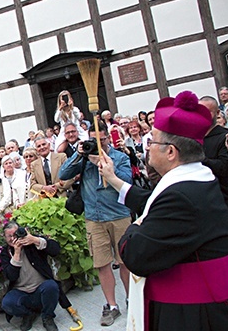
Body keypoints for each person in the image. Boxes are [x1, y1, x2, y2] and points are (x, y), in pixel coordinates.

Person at [99, 90, 228, 330]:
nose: (148, 146)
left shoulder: (181, 197)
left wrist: (135, 226)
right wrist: (113, 179)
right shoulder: (197, 179)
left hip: (193, 315)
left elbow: (135, 255)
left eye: (152, 140)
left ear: (171, 152)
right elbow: (153, 203)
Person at [58, 122, 132, 327]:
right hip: (94, 218)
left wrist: (107, 165)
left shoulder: (119, 157)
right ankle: (112, 305)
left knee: (126, 261)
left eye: (101, 140)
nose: (98, 145)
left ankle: (131, 300)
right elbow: (63, 175)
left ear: (107, 138)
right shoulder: (84, 158)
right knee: (101, 263)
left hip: (119, 215)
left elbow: (127, 181)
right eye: (93, 140)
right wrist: (80, 155)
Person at [199, 96, 228, 263]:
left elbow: (224, 168)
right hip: (200, 203)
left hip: (223, 201)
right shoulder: (194, 138)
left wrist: (199, 158)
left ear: (216, 113)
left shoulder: (225, 137)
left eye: (206, 112)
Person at [0, 222, 60, 331]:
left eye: (15, 234)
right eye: (10, 236)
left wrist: (35, 240)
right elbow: (11, 276)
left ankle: (47, 316)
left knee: (51, 286)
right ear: (4, 238)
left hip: (41, 288)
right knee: (7, 303)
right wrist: (17, 254)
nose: (14, 239)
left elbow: (56, 250)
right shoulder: (5, 253)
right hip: (21, 292)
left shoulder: (32, 243)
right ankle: (28, 315)